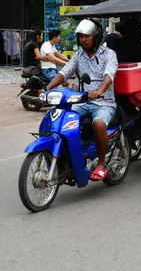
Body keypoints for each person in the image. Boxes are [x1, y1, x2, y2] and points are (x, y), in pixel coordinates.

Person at [45, 19, 119, 181]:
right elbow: (64, 73)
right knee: (60, 117)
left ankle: (100, 163)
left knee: (98, 123)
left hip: (104, 102)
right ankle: (68, 155)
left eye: (87, 36)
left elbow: (109, 76)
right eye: (81, 37)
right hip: (82, 101)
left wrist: (99, 91)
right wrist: (47, 89)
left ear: (96, 37)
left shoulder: (109, 55)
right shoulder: (79, 55)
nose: (83, 40)